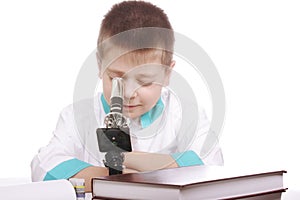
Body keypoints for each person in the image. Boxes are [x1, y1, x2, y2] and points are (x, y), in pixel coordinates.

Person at [31, 1, 223, 192]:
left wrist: (128, 165)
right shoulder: (77, 116)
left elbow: (209, 166)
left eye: (145, 81)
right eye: (116, 78)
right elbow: (44, 167)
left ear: (167, 74)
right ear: (100, 66)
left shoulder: (184, 115)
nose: (129, 94)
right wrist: (114, 178)